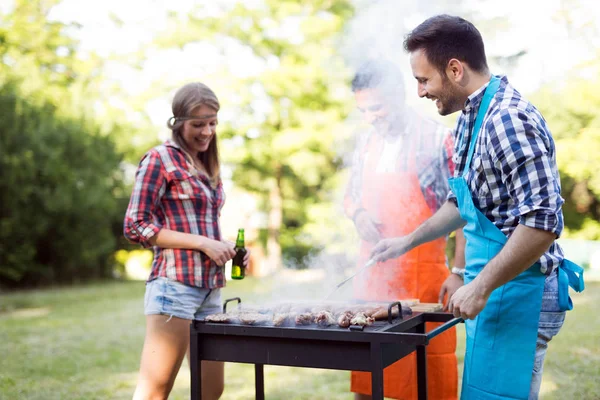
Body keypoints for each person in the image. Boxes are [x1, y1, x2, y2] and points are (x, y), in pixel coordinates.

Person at [371, 15, 585, 400]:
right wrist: (407, 241)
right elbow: (462, 203)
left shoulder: (507, 119)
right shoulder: (471, 118)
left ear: (454, 69)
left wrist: (480, 285)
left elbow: (542, 222)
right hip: (497, 291)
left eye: (423, 80)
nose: (419, 92)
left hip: (521, 293)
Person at [344, 59, 466, 400]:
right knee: (369, 380)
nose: (370, 117)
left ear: (399, 96)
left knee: (427, 377)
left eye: (377, 107)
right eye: (363, 110)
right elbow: (350, 197)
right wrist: (359, 215)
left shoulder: (439, 139)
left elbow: (465, 212)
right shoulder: (366, 144)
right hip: (372, 282)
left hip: (423, 281)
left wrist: (458, 271)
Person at [124, 82, 249, 400]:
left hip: (210, 291)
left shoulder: (207, 166)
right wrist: (203, 243)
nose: (207, 131)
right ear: (178, 123)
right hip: (174, 288)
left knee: (211, 390)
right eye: (198, 124)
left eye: (212, 122)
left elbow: (197, 227)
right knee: (155, 390)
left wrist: (225, 249)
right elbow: (135, 225)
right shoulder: (159, 160)